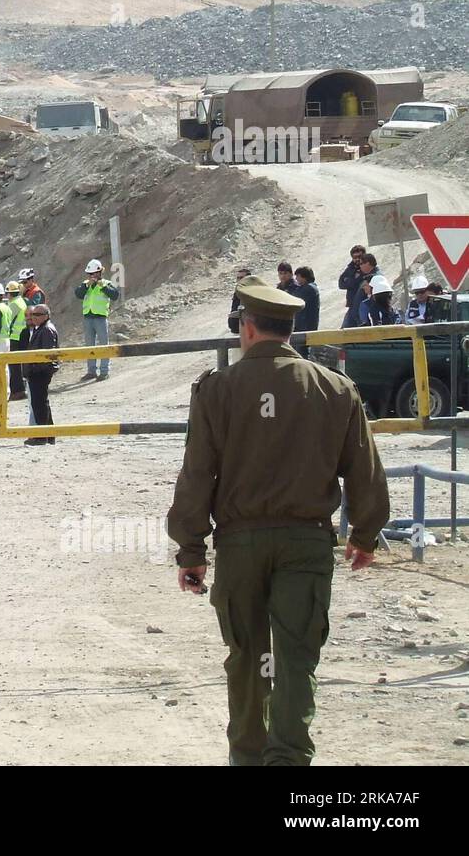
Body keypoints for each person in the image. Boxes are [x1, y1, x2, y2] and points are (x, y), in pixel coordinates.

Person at [168, 275, 388, 766]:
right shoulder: (335, 388)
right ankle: (288, 760)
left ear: (246, 328)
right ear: (291, 330)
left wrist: (190, 550)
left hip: (241, 543)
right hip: (307, 543)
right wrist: (366, 534)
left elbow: (197, 472)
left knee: (247, 657)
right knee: (295, 657)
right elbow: (364, 468)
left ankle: (247, 758)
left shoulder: (217, 388)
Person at [14, 303, 58, 446]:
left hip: (40, 373)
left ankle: (41, 437)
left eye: (37, 315)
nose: (33, 317)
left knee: (39, 404)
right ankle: (49, 435)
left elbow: (47, 355)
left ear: (46, 316)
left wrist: (35, 369)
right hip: (37, 372)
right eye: (33, 315)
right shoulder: (42, 329)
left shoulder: (46, 330)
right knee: (42, 403)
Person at [74, 259, 119, 381]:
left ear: (99, 272)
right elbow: (78, 294)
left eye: (94, 273)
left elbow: (115, 295)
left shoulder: (106, 283)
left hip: (100, 317)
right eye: (90, 274)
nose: (92, 276)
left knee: (104, 345)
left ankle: (104, 371)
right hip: (88, 317)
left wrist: (102, 285)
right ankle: (91, 371)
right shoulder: (86, 284)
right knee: (90, 346)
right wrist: (86, 285)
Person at [5, 281, 28, 400]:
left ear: (9, 294)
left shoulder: (14, 304)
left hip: (15, 337)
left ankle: (17, 390)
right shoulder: (20, 301)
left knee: (14, 366)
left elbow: (7, 320)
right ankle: (19, 389)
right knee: (17, 365)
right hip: (20, 335)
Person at [338, 244, 367, 327]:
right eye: (355, 257)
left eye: (360, 256)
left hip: (363, 304)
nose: (357, 259)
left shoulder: (367, 268)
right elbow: (341, 283)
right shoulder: (351, 268)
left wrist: (350, 281)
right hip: (352, 304)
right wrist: (353, 281)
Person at [349, 253, 381, 328]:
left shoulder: (375, 277)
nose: (360, 266)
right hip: (360, 317)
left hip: (365, 318)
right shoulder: (368, 275)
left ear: (368, 263)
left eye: (361, 263)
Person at [292, 266, 319, 332]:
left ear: (304, 277)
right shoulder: (307, 287)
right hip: (304, 325)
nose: (296, 279)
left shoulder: (309, 288)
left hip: (305, 326)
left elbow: (294, 298)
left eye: (298, 276)